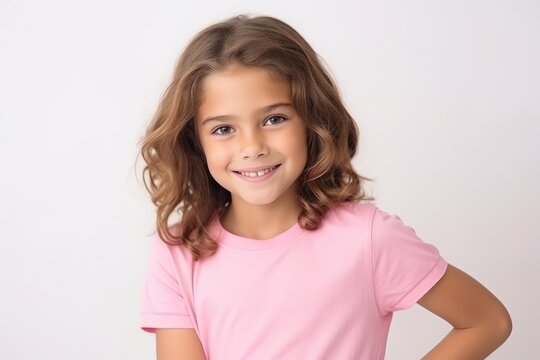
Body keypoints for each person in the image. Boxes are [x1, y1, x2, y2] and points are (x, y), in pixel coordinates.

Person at [137, 14, 512, 360]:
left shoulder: (369, 239)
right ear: (195, 141)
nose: (252, 147)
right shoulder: (177, 252)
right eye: (223, 129)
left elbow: (486, 321)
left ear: (311, 120)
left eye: (274, 118)